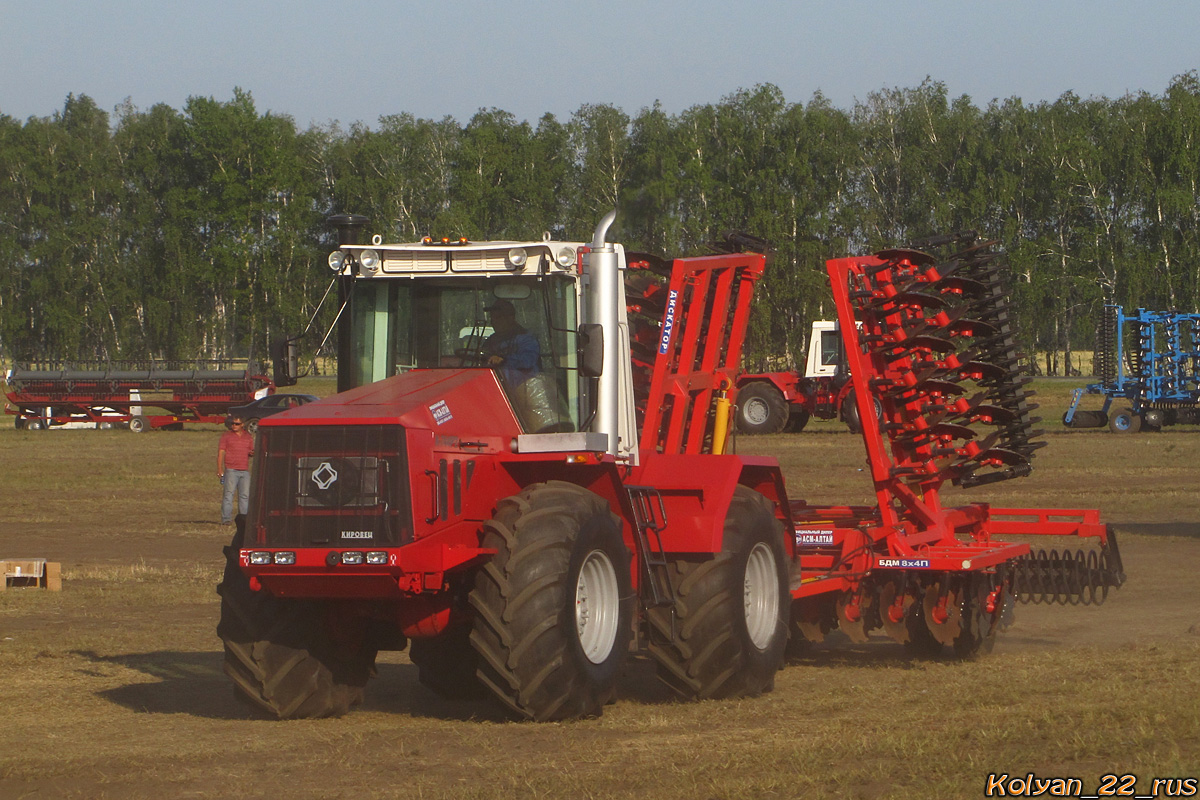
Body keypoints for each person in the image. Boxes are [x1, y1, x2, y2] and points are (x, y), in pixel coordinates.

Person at [482, 299, 541, 388]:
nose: (493, 322)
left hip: (522, 390)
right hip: (494, 387)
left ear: (510, 318)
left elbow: (528, 361)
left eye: (497, 317)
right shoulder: (491, 341)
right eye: (492, 318)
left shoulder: (526, 338)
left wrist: (503, 360)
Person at [217, 414, 254, 524]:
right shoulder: (226, 436)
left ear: (242, 425)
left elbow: (251, 451)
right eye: (233, 423)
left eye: (237, 424)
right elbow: (221, 452)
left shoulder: (248, 437)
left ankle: (243, 519)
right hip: (231, 469)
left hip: (244, 470)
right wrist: (220, 468)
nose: (234, 426)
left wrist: (252, 453)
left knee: (245, 495)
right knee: (229, 494)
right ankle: (226, 519)